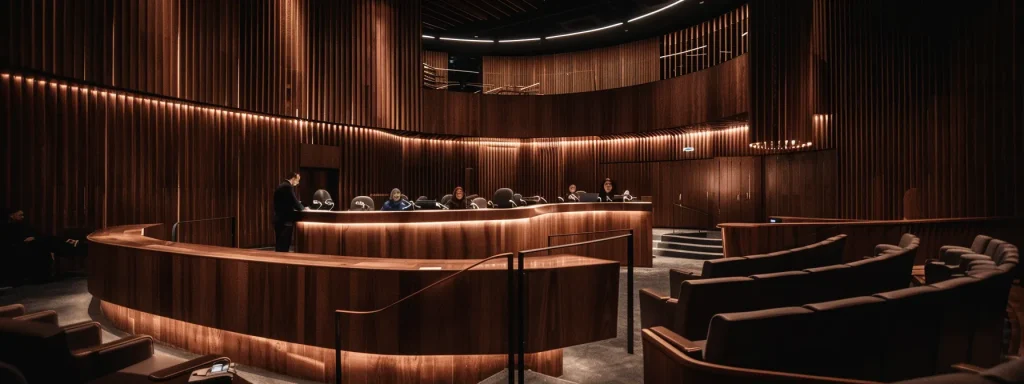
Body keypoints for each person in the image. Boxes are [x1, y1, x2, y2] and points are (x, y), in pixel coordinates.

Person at [2, 208, 80, 284]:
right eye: (20, 215)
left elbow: (36, 234)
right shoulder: (5, 227)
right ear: (12, 216)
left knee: (45, 241)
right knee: (46, 242)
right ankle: (69, 244)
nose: (23, 217)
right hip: (17, 248)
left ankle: (67, 244)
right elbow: (9, 241)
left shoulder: (23, 225)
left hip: (32, 244)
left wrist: (34, 238)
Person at [273, 172, 306, 252]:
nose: (298, 183)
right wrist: (303, 209)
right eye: (298, 180)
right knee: (284, 245)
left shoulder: (281, 185)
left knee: (279, 244)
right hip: (285, 221)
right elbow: (294, 202)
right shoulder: (287, 187)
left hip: (278, 219)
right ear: (293, 178)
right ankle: (283, 263)